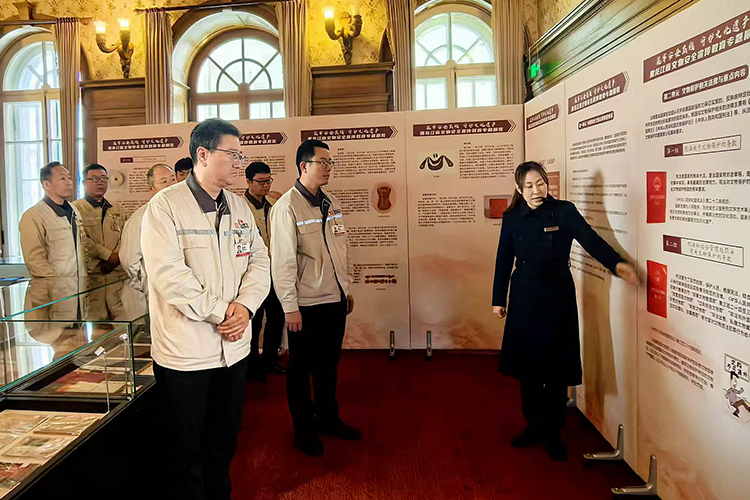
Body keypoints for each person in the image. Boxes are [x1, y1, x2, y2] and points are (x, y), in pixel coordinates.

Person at [141, 118, 270, 500]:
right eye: (233, 154)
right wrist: (223, 313)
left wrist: (245, 307)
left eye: (241, 155)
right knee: (186, 449)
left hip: (233, 350)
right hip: (186, 354)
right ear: (203, 154)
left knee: (224, 439)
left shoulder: (239, 206)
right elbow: (170, 276)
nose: (239, 162)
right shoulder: (165, 206)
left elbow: (259, 261)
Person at [492, 161, 638, 462]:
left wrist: (617, 264)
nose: (536, 190)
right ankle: (534, 425)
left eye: (541, 183)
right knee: (529, 367)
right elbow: (504, 256)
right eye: (529, 186)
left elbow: (591, 240)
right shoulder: (512, 217)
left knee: (557, 366)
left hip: (558, 293)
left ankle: (553, 430)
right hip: (524, 294)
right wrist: (498, 298)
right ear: (519, 188)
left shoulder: (564, 211)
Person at [269, 139, 359, 457]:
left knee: (328, 366)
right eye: (323, 162)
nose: (329, 168)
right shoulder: (286, 207)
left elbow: (341, 247)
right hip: (306, 305)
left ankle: (329, 419)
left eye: (330, 163)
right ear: (304, 165)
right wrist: (289, 307)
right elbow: (282, 262)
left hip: (334, 299)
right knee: (300, 370)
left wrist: (345, 289)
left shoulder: (330, 202)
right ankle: (304, 430)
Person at [243, 161, 286, 381]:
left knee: (277, 317)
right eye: (260, 181)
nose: (266, 185)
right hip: (252, 273)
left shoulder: (275, 204)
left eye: (268, 181)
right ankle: (251, 364)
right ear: (248, 181)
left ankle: (269, 360)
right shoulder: (240, 207)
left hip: (276, 272)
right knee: (254, 319)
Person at [19, 162, 87, 278]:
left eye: (69, 178)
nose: (69, 183)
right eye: (62, 178)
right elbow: (35, 261)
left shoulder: (74, 210)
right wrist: (54, 284)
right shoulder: (33, 216)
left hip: (79, 283)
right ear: (46, 185)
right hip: (55, 286)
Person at [119, 164, 176, 292]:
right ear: (151, 188)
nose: (170, 185)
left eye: (173, 179)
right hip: (153, 289)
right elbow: (129, 260)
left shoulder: (182, 212)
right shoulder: (140, 216)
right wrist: (143, 286)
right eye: (164, 181)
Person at [73, 163, 126, 276]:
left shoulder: (118, 208)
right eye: (94, 179)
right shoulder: (75, 208)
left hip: (116, 271)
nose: (100, 182)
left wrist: (116, 256)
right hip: (90, 273)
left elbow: (126, 235)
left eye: (103, 178)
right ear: (84, 182)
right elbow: (80, 238)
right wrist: (107, 255)